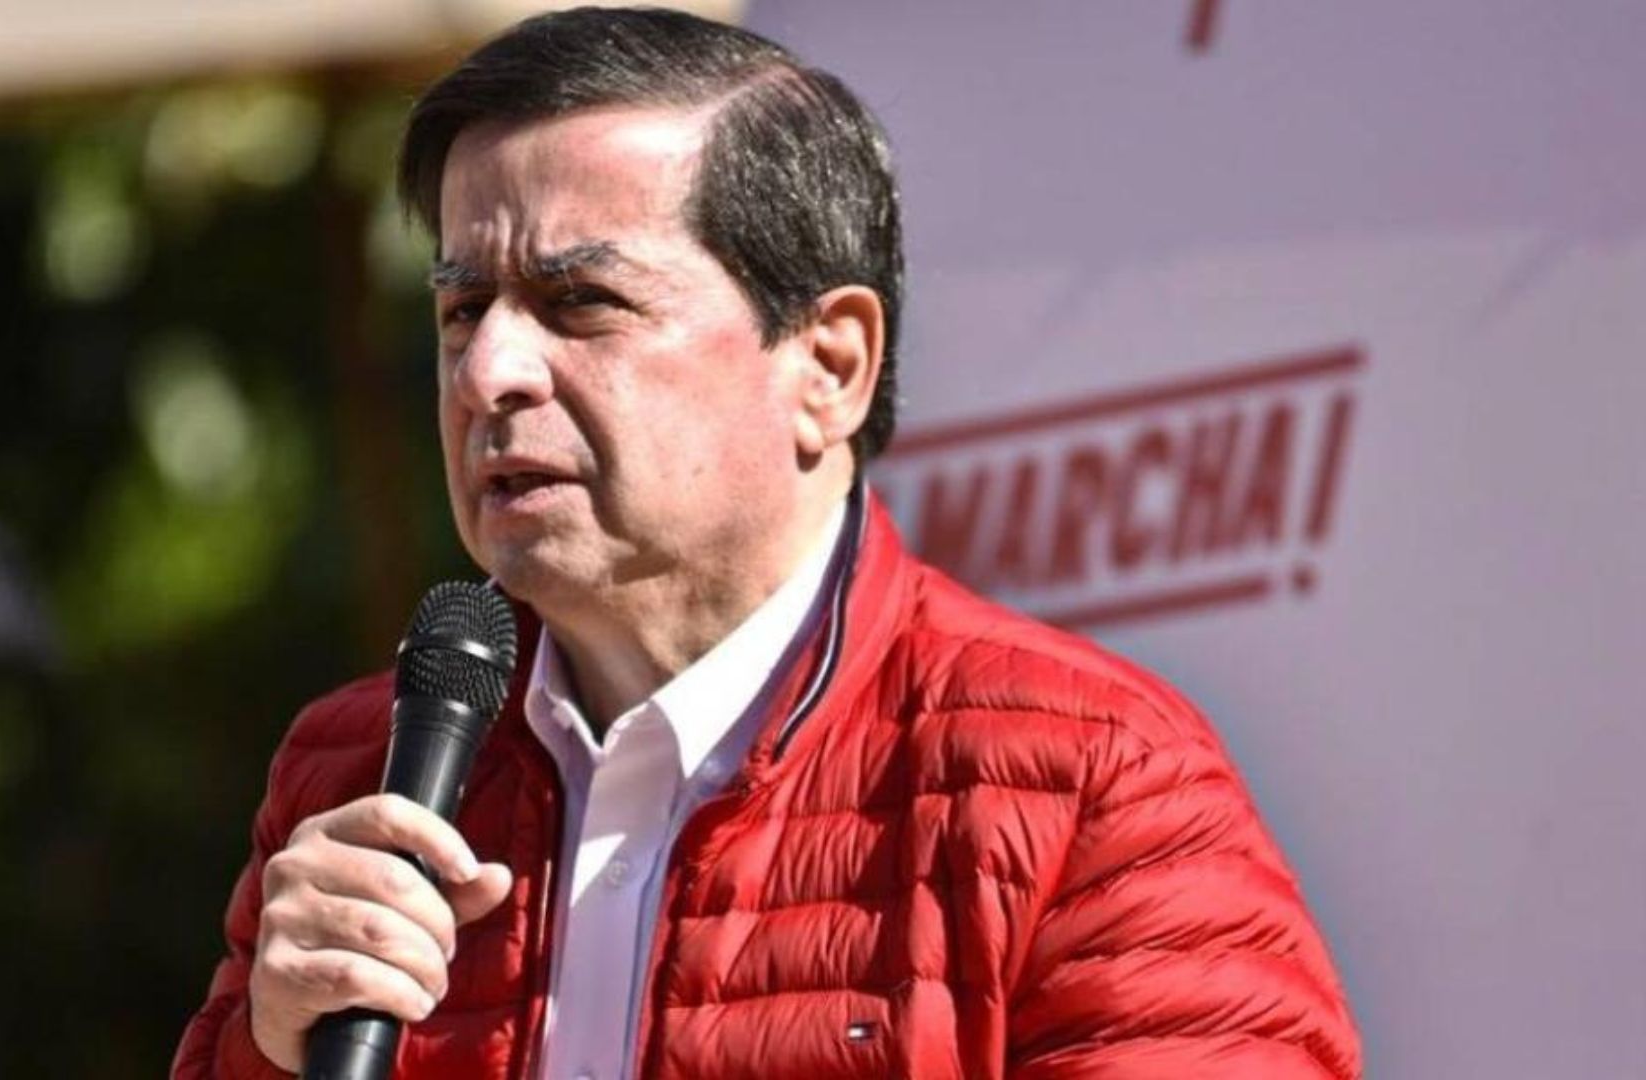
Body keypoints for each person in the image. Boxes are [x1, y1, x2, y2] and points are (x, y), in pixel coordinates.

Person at [173, 8, 1362, 1078]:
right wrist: (264, 1052)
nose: (489, 372)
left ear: (829, 367)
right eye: (461, 308)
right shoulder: (355, 773)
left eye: (581, 303)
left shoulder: (1093, 784)